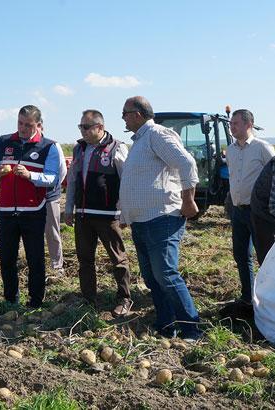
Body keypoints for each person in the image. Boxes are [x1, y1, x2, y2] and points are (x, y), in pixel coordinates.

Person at [119, 96, 201, 340]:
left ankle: (191, 328)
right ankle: (166, 325)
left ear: (137, 114)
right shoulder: (140, 141)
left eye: (125, 113)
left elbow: (186, 163)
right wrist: (127, 212)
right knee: (153, 277)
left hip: (162, 218)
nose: (123, 118)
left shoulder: (157, 134)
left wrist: (188, 200)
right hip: (142, 221)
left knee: (165, 273)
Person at [0, 105, 60, 308]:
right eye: (20, 123)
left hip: (33, 211)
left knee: (35, 258)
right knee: (7, 257)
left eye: (28, 125)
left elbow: (54, 178)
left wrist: (31, 176)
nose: (23, 128)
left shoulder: (49, 146)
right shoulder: (3, 142)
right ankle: (11, 299)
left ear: (38, 125)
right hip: (6, 211)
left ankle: (35, 301)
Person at [64, 109, 132, 316]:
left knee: (117, 259)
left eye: (86, 127)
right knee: (85, 260)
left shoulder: (117, 148)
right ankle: (88, 299)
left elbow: (126, 181)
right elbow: (73, 179)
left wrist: (125, 212)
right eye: (80, 127)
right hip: (84, 215)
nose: (82, 131)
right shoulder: (79, 149)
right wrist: (68, 209)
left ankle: (125, 298)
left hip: (108, 215)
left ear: (100, 127)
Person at [224, 109, 275, 308]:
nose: (232, 127)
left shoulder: (262, 148)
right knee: (241, 254)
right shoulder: (231, 150)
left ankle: (269, 298)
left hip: (259, 212)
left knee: (265, 256)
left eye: (235, 123)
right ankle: (247, 297)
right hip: (238, 210)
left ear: (248, 125)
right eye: (231, 123)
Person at [44, 134, 67, 280]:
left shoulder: (52, 146)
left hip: (49, 196)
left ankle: (57, 266)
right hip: (29, 198)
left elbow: (62, 171)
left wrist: (53, 187)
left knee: (52, 231)